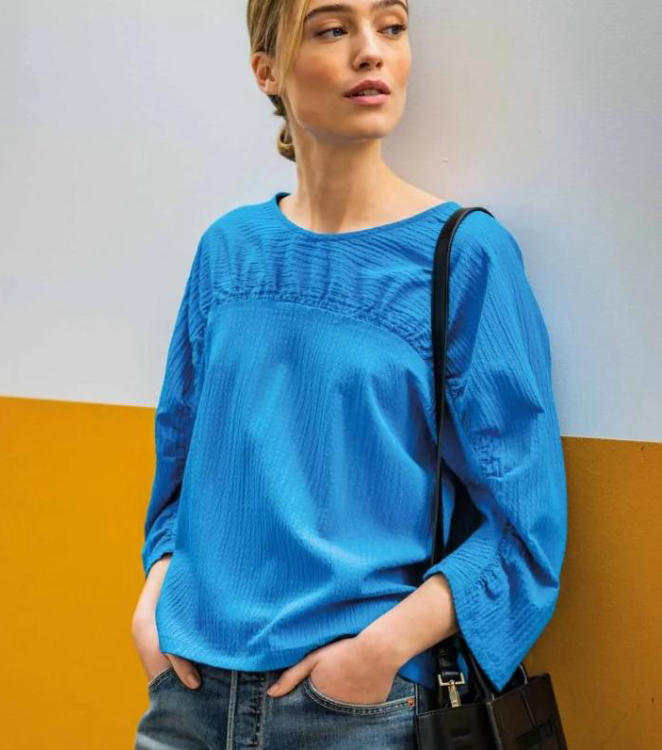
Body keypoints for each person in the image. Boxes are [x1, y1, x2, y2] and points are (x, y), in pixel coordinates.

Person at [131, 1, 568, 748]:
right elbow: (178, 471)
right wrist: (154, 601)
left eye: (391, 26)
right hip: (189, 698)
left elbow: (525, 523)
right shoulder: (227, 252)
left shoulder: (462, 257)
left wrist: (378, 654)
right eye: (333, 29)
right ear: (266, 70)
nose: (372, 53)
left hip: (357, 710)